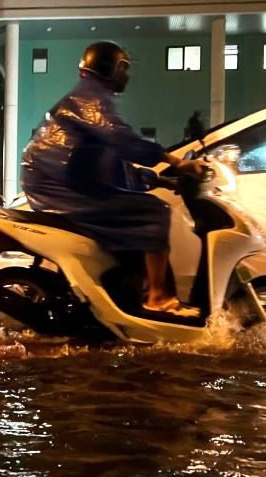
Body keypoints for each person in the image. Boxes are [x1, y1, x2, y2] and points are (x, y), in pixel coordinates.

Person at [20, 41, 206, 316]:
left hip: (67, 183)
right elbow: (121, 139)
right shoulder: (91, 97)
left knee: (141, 210)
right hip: (61, 189)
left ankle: (129, 296)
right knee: (154, 212)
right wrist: (175, 161)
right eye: (123, 68)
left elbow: (112, 166)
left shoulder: (92, 97)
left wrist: (162, 181)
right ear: (110, 68)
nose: (126, 76)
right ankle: (159, 299)